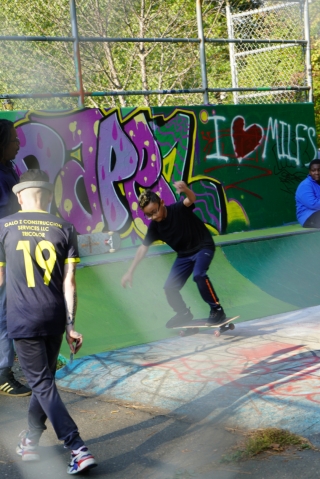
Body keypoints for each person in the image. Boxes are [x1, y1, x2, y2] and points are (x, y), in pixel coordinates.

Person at [0, 169, 97, 474]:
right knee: (45, 383)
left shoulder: (3, 226)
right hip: (55, 317)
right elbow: (70, 282)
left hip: (23, 319)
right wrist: (70, 325)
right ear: (49, 194)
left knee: (41, 383)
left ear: (18, 195)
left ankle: (77, 446)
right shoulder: (65, 227)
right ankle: (29, 441)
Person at [121, 181, 226, 327]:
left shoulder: (178, 209)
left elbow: (191, 199)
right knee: (169, 287)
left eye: (155, 211)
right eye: (148, 215)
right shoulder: (155, 227)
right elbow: (143, 248)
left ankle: (217, 309)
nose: (153, 217)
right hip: (184, 255)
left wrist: (186, 190)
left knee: (199, 275)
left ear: (162, 202)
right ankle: (183, 313)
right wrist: (130, 271)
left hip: (203, 247)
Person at [0, 119, 31, 396]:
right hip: (3, 256)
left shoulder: (9, 168)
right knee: (4, 312)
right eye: (13, 139)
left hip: (15, 250)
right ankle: (3, 373)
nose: (18, 143)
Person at [296, 159, 320, 228]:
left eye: (319, 170)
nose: (317, 173)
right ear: (309, 172)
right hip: (307, 216)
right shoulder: (305, 185)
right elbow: (312, 204)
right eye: (313, 170)